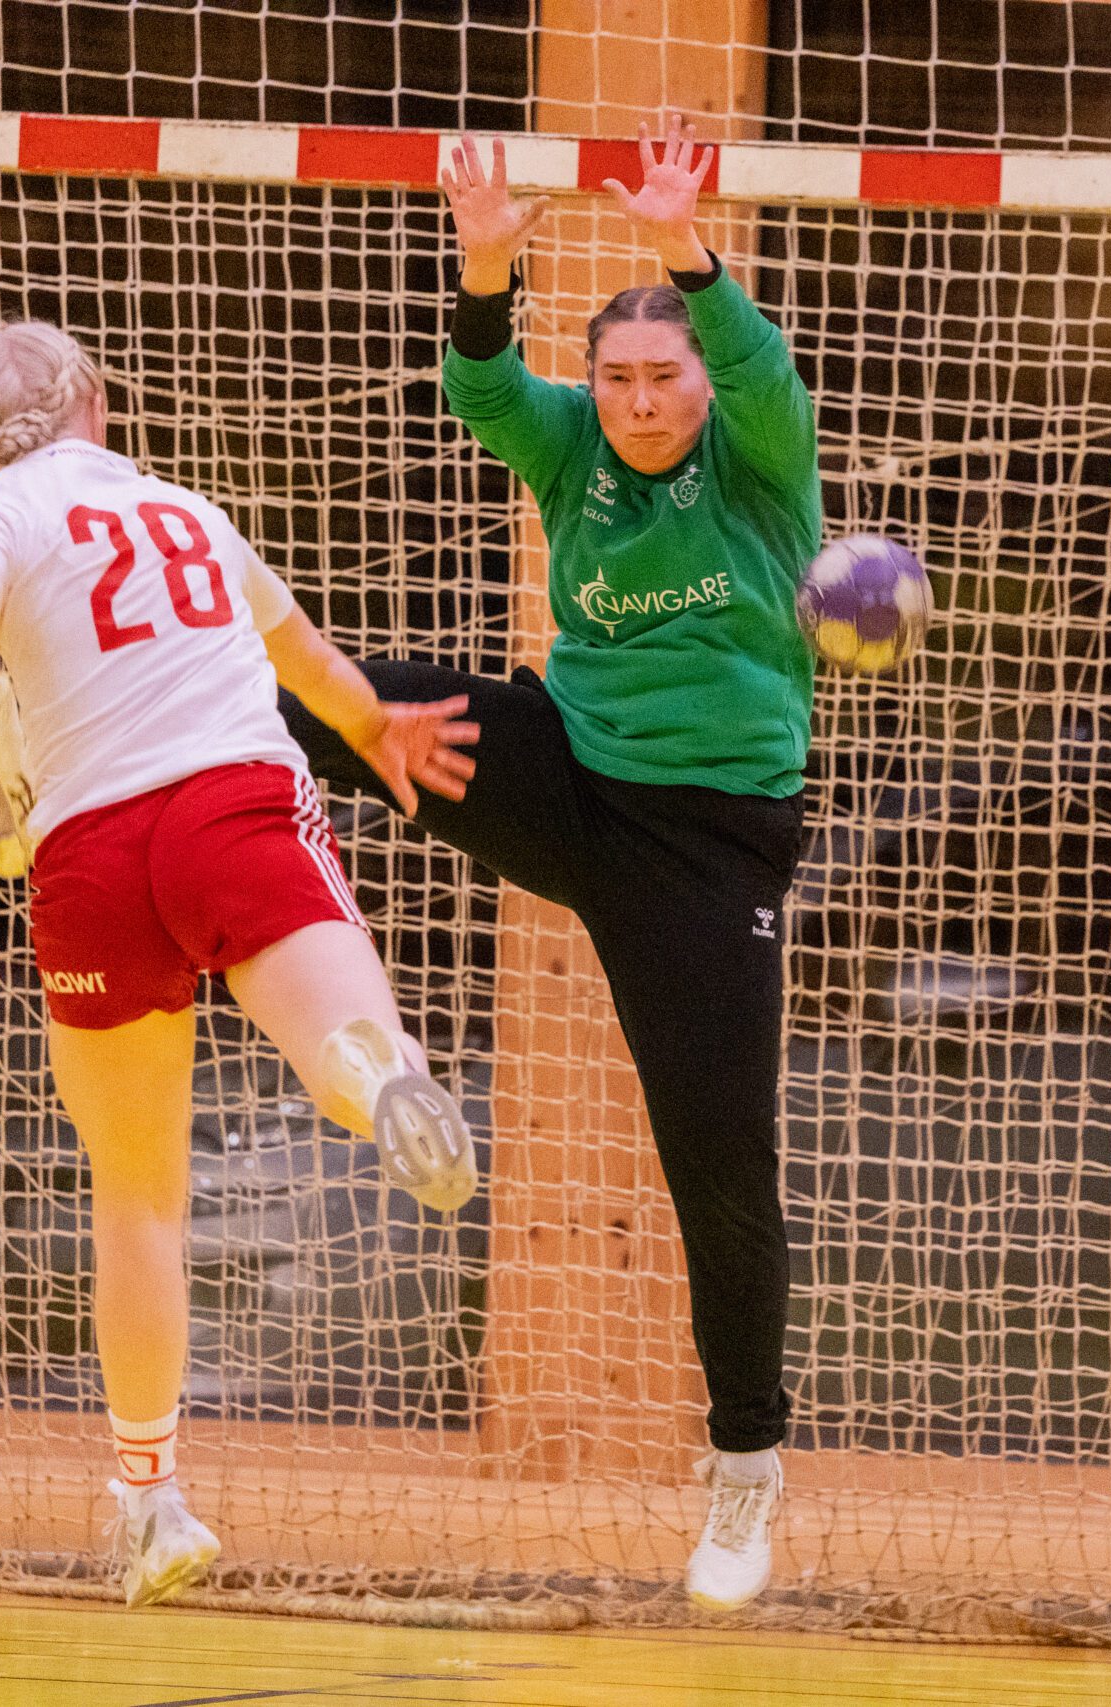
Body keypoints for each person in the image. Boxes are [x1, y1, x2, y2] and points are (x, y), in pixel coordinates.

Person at [0, 321, 482, 1608]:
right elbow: (303, 659)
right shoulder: (188, 512)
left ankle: (151, 1502)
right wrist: (375, 726)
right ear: (98, 403)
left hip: (91, 854)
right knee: (342, 1039)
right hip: (231, 805)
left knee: (138, 1199)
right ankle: (378, 1077)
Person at [278, 116, 821, 1611]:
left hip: (706, 848)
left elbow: (760, 365)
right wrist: (483, 268)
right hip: (568, 769)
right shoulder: (573, 439)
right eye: (621, 377)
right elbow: (484, 390)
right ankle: (95, 750)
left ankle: (745, 1467)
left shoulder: (762, 455)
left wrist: (684, 248)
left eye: (666, 377)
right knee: (337, 702)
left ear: (703, 385)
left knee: (718, 1163)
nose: (641, 402)